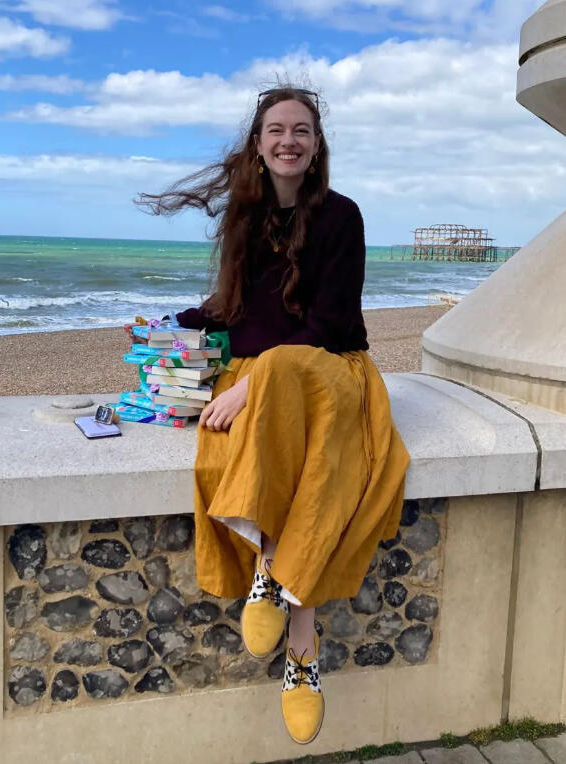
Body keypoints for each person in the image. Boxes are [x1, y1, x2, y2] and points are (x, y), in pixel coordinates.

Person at [134, 85, 409, 745]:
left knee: (283, 382)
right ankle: (302, 650)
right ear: (258, 145)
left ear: (316, 147)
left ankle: (273, 576)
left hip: (328, 370)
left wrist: (254, 386)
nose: (288, 141)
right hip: (263, 376)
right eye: (276, 130)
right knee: (285, 452)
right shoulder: (245, 218)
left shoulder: (342, 216)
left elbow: (328, 322)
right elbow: (232, 308)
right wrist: (167, 324)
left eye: (301, 131)